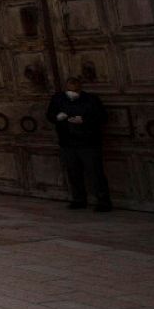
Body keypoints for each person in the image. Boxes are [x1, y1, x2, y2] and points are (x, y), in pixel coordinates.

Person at [48, 77, 111, 212]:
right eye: (70, 89)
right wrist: (58, 117)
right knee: (73, 172)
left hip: (88, 142)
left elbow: (102, 117)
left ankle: (103, 201)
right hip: (68, 141)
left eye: (75, 89)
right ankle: (78, 199)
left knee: (95, 173)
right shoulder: (58, 99)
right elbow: (50, 115)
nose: (72, 92)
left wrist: (84, 120)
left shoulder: (91, 100)